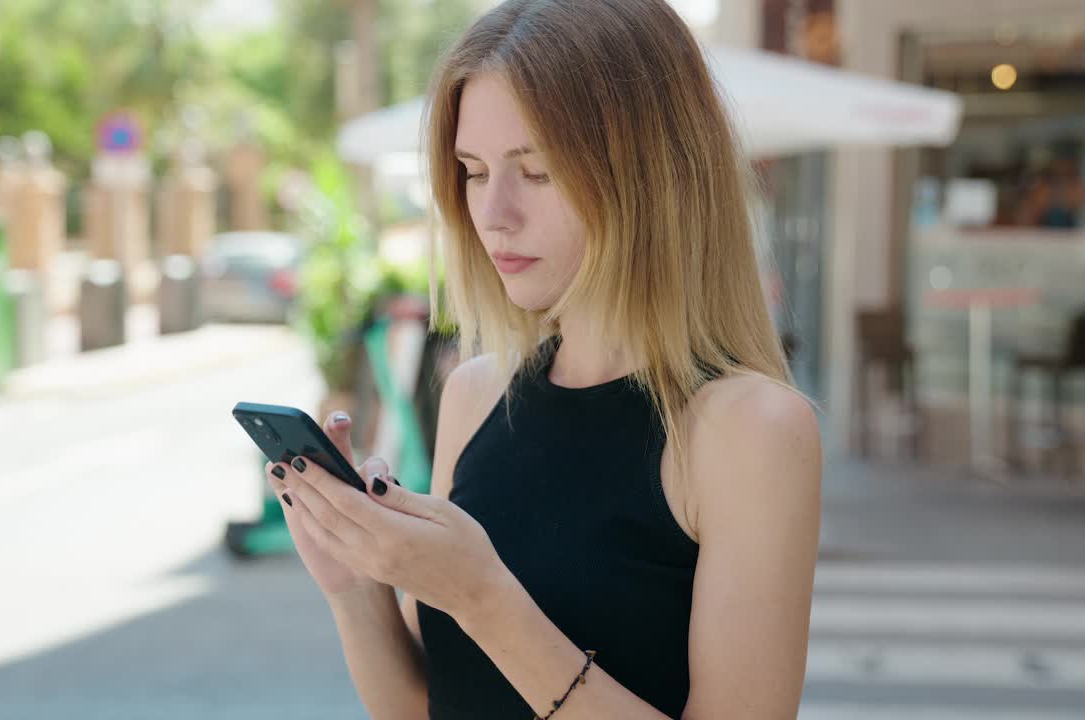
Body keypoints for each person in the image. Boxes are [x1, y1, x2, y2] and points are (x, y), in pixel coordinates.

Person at [265, 1, 822, 718]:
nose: (493, 212)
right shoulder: (474, 394)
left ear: (650, 178)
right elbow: (420, 708)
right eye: (472, 170)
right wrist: (354, 586)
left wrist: (483, 598)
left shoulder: (751, 429)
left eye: (537, 171)